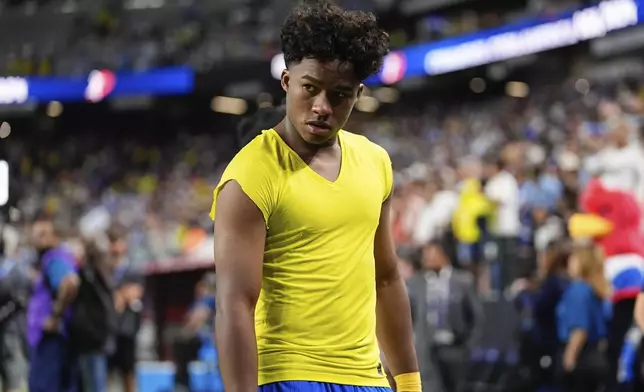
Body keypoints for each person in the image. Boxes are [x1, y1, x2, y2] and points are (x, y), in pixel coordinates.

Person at [210, 2, 420, 392]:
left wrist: (408, 383)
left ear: (358, 93)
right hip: (287, 377)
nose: (322, 107)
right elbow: (234, 303)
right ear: (287, 81)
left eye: (339, 95)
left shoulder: (376, 163)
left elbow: (387, 278)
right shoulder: (249, 174)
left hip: (367, 379)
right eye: (310, 88)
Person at [407, 239, 484, 392]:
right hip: (426, 349)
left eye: (432, 253)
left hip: (455, 347)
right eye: (425, 255)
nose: (427, 258)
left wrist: (468, 346)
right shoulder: (415, 283)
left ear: (444, 255)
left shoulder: (463, 280)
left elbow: (476, 317)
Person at [27, 217, 80, 392]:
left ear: (55, 236)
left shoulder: (55, 258)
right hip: (49, 339)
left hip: (51, 340)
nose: (37, 239)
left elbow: (70, 284)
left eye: (43, 234)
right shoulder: (47, 260)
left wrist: (55, 316)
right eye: (35, 235)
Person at [556, 244, 610, 392]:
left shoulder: (578, 290)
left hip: (581, 358)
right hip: (597, 357)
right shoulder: (597, 289)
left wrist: (569, 356)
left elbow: (580, 329)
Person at [107, 227, 143, 392]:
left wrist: (120, 296)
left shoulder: (132, 269)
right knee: (107, 373)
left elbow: (134, 293)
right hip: (107, 330)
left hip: (126, 330)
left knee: (128, 373)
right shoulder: (105, 270)